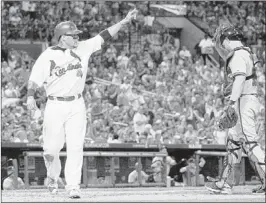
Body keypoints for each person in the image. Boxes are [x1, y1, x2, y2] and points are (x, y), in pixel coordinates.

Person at [26, 8, 138, 199]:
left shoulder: (83, 48)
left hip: (77, 104)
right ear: (62, 37)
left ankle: (72, 186)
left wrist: (124, 22)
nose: (77, 37)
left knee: (76, 146)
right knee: (51, 149)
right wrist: (29, 97)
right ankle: (52, 177)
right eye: (73, 35)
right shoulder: (48, 55)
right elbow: (34, 79)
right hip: (54, 104)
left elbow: (104, 35)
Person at [205, 23, 265, 194]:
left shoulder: (238, 55)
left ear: (227, 39)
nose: (221, 44)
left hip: (243, 101)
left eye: (222, 40)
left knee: (251, 143)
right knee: (234, 142)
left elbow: (239, 80)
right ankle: (226, 183)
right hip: (247, 99)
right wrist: (217, 45)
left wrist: (231, 103)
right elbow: (228, 58)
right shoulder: (245, 51)